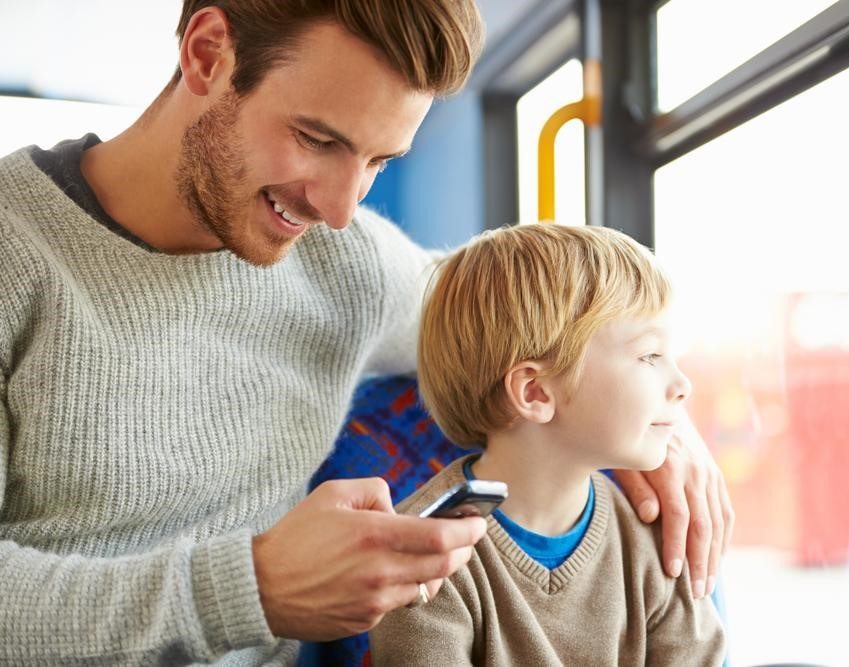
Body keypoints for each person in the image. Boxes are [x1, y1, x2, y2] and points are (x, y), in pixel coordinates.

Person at [0, 1, 732, 664]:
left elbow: (534, 323)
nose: (342, 208)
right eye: (318, 139)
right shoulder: (15, 254)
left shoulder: (344, 262)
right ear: (208, 53)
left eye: (378, 161)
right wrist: (248, 587)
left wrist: (665, 417)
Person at [368, 224, 726, 665]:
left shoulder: (654, 535)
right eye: (650, 356)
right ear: (535, 392)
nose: (682, 385)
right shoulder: (427, 555)